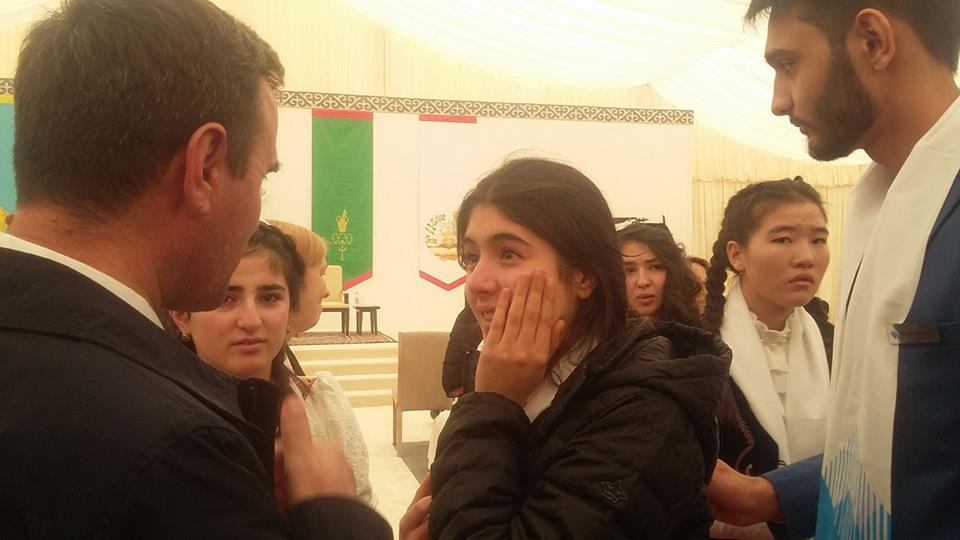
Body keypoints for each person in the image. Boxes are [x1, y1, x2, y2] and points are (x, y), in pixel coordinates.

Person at [0, 0, 390, 537]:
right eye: (262, 177)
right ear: (205, 166)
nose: (256, 211)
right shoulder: (177, 451)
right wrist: (334, 516)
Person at [709, 1, 960, 538]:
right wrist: (771, 494)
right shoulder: (876, 200)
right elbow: (885, 438)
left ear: (873, 41)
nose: (778, 101)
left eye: (789, 65)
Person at [399, 157, 731, 539]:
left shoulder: (645, 408)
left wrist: (492, 402)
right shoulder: (518, 375)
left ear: (583, 276)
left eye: (508, 253)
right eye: (471, 257)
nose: (475, 282)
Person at [171, 223, 373, 505]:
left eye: (269, 297)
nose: (251, 320)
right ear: (181, 314)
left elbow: (362, 503)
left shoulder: (321, 404)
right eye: (225, 298)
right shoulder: (165, 429)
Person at [700, 178, 831, 539]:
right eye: (783, 239)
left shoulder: (838, 345)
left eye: (818, 239)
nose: (806, 257)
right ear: (737, 255)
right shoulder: (693, 352)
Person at [618, 222, 702, 324]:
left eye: (655, 267)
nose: (643, 282)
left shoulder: (701, 331)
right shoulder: (603, 333)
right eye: (629, 270)